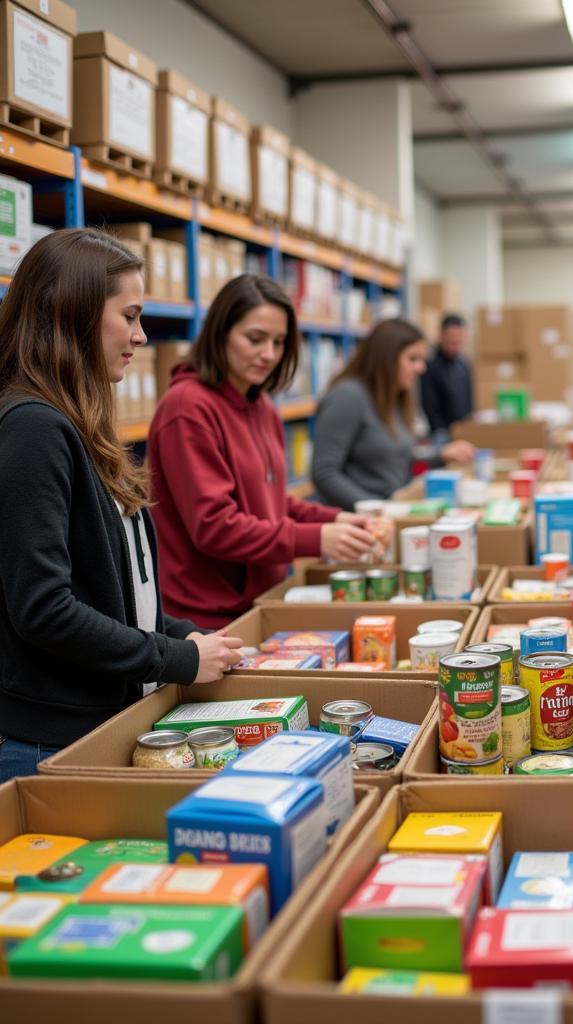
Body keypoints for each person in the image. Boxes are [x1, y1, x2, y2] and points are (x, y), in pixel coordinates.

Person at [0, 229, 243, 780]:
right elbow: (44, 609)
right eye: (129, 316)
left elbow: (111, 589)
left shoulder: (80, 424)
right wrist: (174, 658)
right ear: (76, 314)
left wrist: (181, 633)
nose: (140, 336)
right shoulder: (33, 430)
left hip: (102, 721)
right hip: (48, 741)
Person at [148, 274, 377, 628]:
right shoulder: (186, 408)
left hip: (262, 601)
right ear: (220, 333)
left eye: (279, 341)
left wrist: (335, 520)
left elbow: (269, 504)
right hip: (207, 620)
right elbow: (214, 526)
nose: (268, 354)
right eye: (255, 339)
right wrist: (317, 539)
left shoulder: (262, 405)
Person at [312, 318, 475, 509]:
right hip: (359, 523)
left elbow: (395, 456)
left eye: (422, 360)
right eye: (412, 359)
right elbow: (324, 472)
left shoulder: (394, 398)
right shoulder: (348, 397)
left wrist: (441, 454)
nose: (421, 368)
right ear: (386, 358)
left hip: (391, 510)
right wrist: (375, 509)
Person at [419, 312, 474, 441]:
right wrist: (441, 431)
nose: (456, 343)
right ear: (442, 335)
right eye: (452, 339)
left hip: (463, 430)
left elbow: (469, 399)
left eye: (459, 339)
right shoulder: (430, 365)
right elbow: (429, 404)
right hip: (441, 433)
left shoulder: (464, 365)